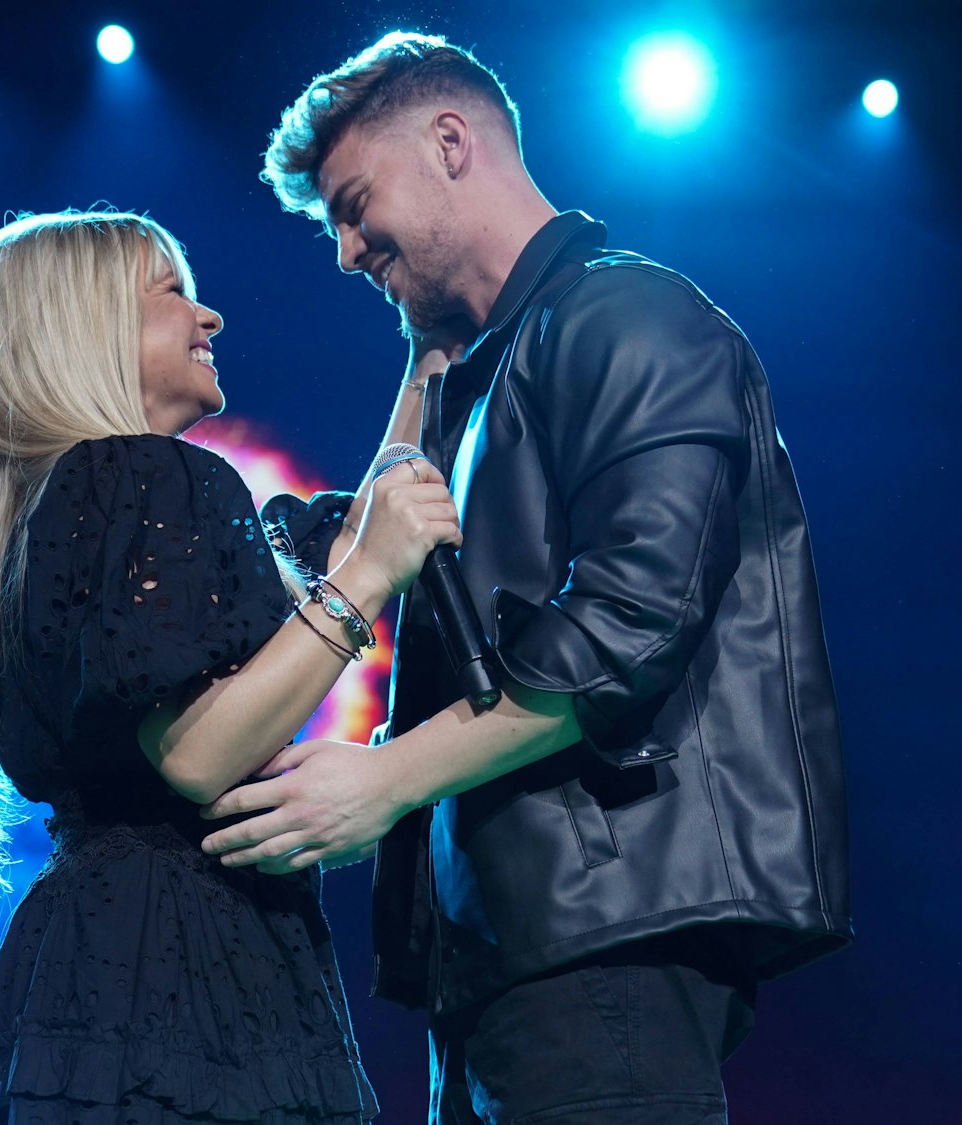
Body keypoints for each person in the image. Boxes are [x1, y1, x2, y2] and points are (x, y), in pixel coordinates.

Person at [201, 34, 855, 1124]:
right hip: (504, 951)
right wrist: (426, 363)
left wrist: (385, 778)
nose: (346, 253)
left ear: (450, 142)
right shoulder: (480, 369)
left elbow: (628, 628)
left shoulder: (627, 315)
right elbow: (363, 543)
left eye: (354, 207)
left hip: (611, 930)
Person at [0, 210, 463, 1124]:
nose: (208, 315)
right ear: (86, 329)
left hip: (83, 968)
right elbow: (196, 753)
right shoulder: (149, 478)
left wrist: (426, 357)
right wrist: (370, 579)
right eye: (171, 292)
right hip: (183, 969)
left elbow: (347, 535)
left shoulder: (44, 518)